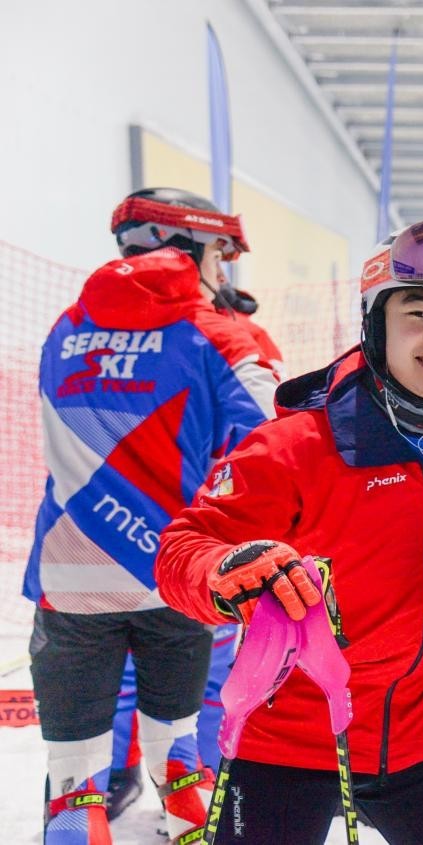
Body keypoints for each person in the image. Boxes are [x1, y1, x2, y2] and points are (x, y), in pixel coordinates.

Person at [155, 218, 423, 845]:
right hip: (284, 750)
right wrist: (226, 569)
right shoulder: (296, 448)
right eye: (417, 312)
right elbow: (181, 550)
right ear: (375, 323)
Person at [25, 187, 277, 844]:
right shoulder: (224, 336)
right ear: (188, 249)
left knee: (73, 780)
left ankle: (87, 809)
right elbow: (273, 447)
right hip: (178, 571)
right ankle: (190, 810)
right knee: (188, 749)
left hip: (68, 576)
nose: (224, 275)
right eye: (219, 256)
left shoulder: (64, 328)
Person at [105, 265, 287, 819]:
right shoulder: (124, 333)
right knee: (126, 667)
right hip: (121, 531)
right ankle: (122, 773)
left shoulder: (238, 336)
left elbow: (271, 429)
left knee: (205, 665)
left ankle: (204, 776)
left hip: (200, 532)